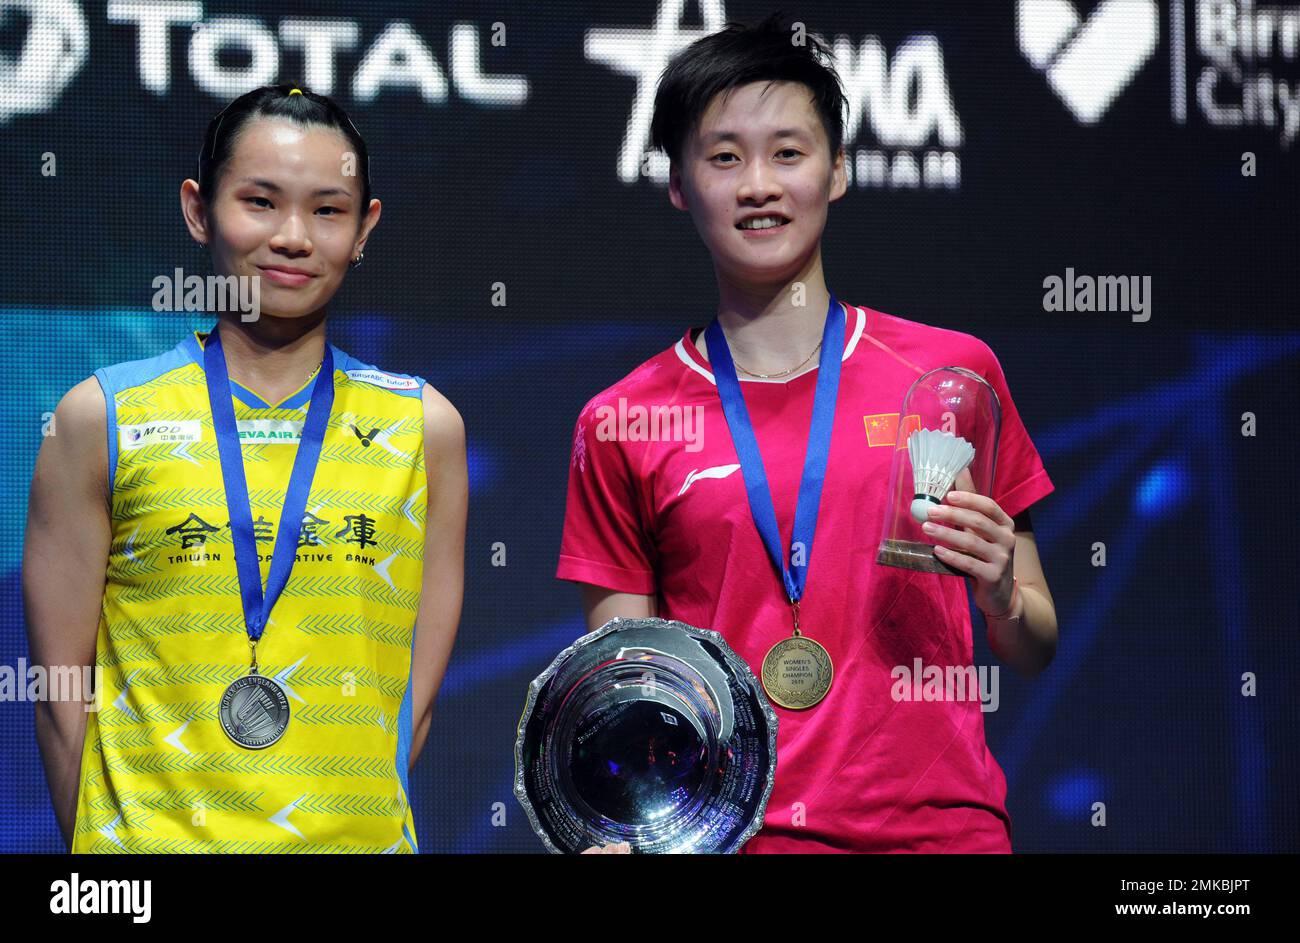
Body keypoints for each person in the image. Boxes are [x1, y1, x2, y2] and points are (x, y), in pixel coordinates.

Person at [558, 16, 1058, 853]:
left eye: (788, 152)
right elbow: (624, 689)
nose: (759, 184)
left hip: (943, 834)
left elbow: (1034, 645)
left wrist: (1005, 589)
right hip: (730, 840)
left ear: (839, 172)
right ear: (679, 183)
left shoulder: (953, 378)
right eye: (724, 157)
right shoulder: (622, 420)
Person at [23, 84, 467, 853]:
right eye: (260, 202)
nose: (293, 236)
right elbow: (62, 695)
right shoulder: (102, 417)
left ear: (365, 229)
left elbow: (410, 707)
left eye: (327, 210)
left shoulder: (423, 427)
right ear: (199, 210)